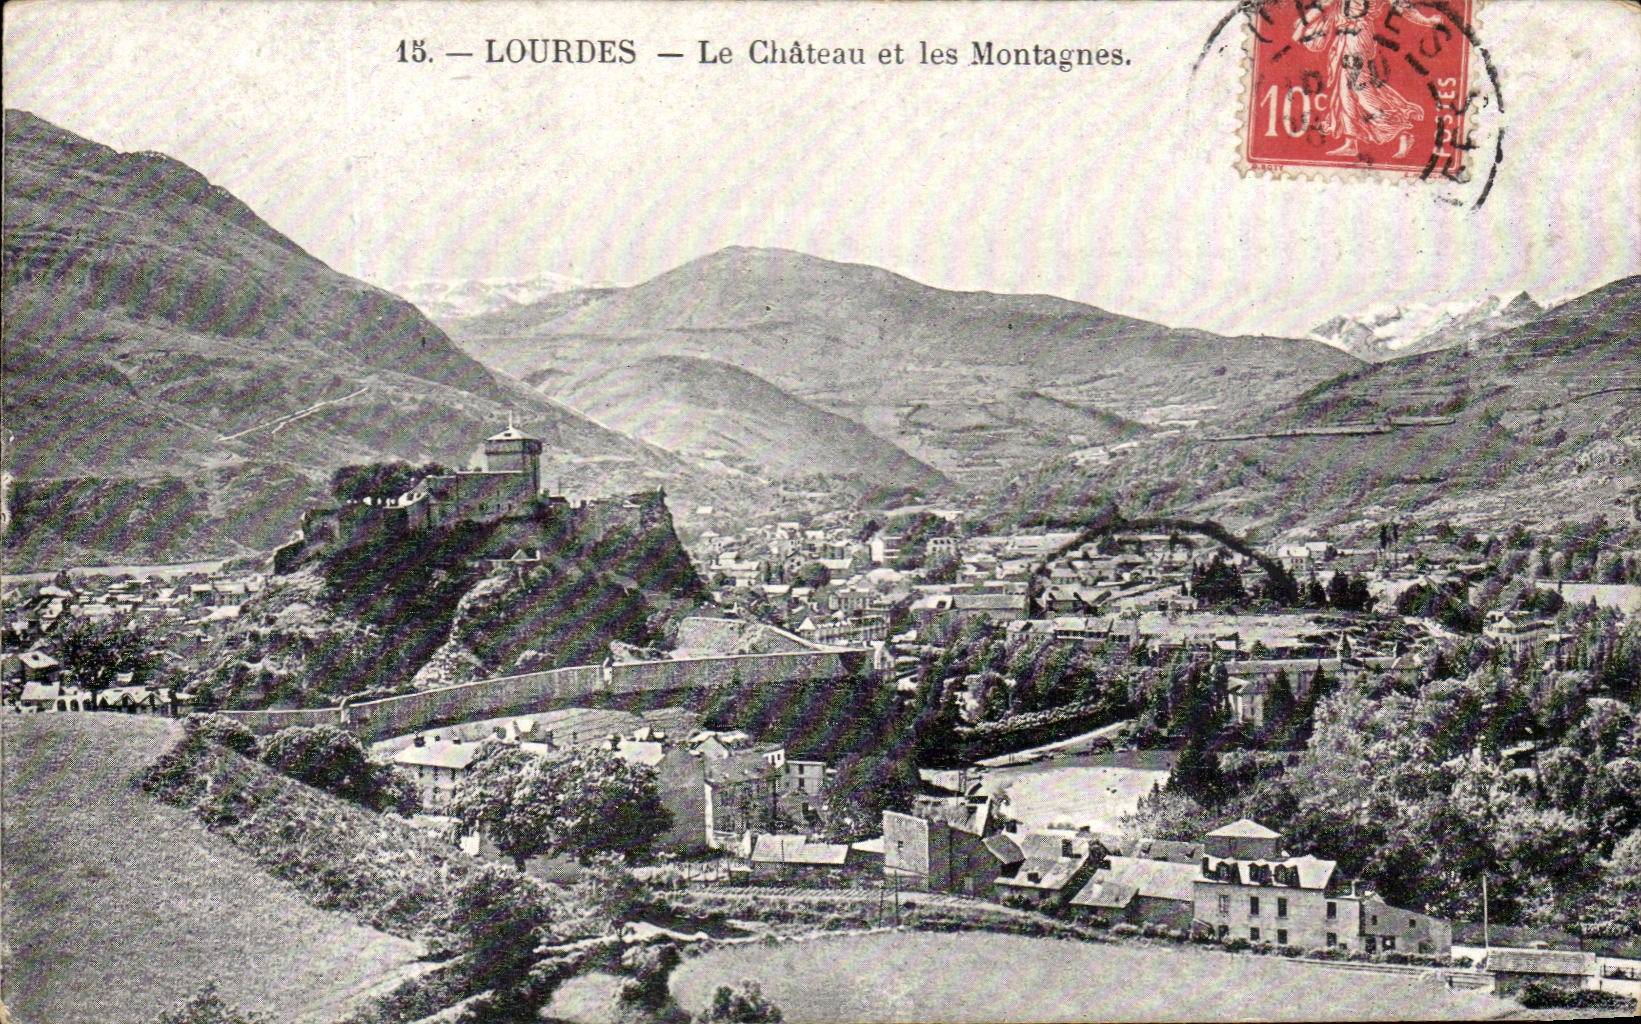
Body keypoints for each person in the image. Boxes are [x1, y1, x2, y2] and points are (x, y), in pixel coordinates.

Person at [1295, 0, 1447, 159]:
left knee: (1361, 91)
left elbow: (1401, 5)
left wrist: (1426, 21)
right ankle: (1350, 143)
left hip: (1356, 38)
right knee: (1344, 90)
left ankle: (1402, 132)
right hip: (1346, 37)